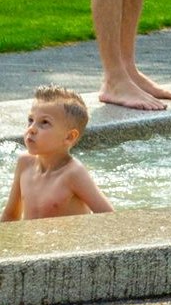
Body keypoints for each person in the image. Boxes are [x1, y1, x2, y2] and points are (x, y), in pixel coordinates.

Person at [3, 88, 111, 221]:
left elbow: (110, 218)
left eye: (44, 123)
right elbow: (10, 215)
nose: (31, 129)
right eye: (31, 120)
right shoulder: (24, 163)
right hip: (31, 241)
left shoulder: (73, 173)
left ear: (69, 137)